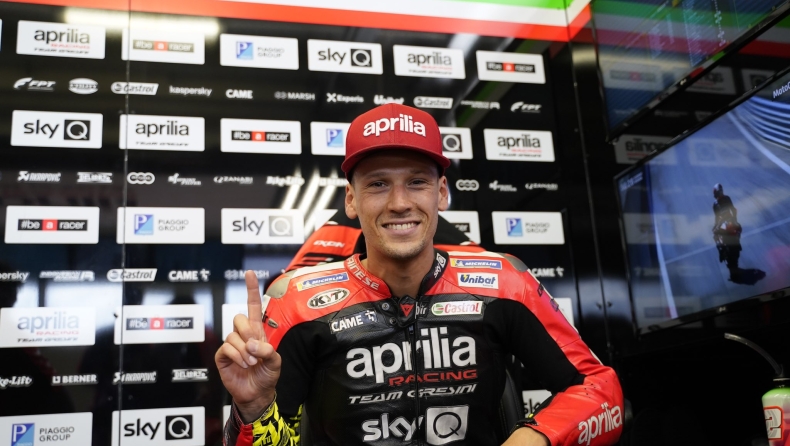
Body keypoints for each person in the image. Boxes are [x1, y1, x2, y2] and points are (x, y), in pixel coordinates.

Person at [215, 104, 624, 446]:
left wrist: (535, 438)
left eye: (416, 182)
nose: (399, 203)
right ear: (351, 200)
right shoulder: (296, 303)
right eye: (378, 184)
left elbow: (600, 390)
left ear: (441, 193)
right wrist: (254, 410)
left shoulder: (506, 282)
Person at [712, 183, 742, 277]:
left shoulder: (716, 204)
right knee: (738, 228)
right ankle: (731, 245)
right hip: (729, 222)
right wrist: (734, 219)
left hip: (725, 223)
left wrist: (716, 226)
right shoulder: (727, 198)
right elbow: (733, 210)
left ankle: (721, 250)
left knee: (715, 234)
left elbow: (717, 217)